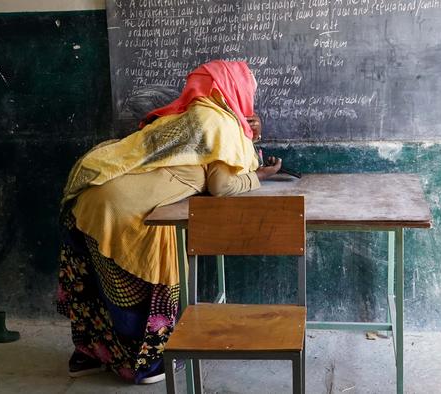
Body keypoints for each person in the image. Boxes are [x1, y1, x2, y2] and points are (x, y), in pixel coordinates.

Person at [56, 60, 282, 384]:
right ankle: (149, 366)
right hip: (121, 211)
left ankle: (88, 355)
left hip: (90, 197)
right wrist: (260, 175)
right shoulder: (220, 124)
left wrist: (248, 135)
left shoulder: (188, 114)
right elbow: (222, 185)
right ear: (237, 90)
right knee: (143, 285)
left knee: (94, 284)